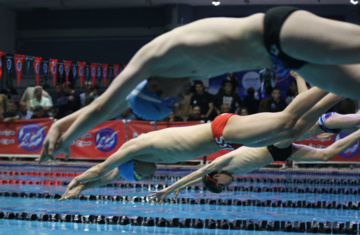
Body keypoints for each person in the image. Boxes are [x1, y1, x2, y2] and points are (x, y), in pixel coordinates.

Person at [39, 6, 360, 162]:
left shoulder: (154, 57)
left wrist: (65, 135)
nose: (181, 94)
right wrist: (62, 126)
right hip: (286, 59)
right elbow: (112, 105)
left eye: (171, 98)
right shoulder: (160, 77)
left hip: (279, 33)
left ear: (156, 88)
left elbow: (102, 105)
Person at [58, 81, 352, 200]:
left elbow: (101, 169)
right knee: (290, 129)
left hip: (222, 131)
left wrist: (77, 181)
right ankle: (340, 86)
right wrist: (84, 190)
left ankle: (336, 79)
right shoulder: (151, 158)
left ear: (136, 166)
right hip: (228, 139)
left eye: (138, 177)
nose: (146, 178)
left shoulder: (137, 147)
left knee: (288, 120)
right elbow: (110, 177)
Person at [149, 126, 360, 203]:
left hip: (272, 145)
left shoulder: (223, 162)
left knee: (304, 128)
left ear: (216, 177)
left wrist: (169, 188)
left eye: (222, 186)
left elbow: (199, 172)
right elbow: (198, 178)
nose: (227, 185)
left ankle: (326, 121)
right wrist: (181, 189)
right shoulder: (225, 172)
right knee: (326, 156)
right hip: (279, 154)